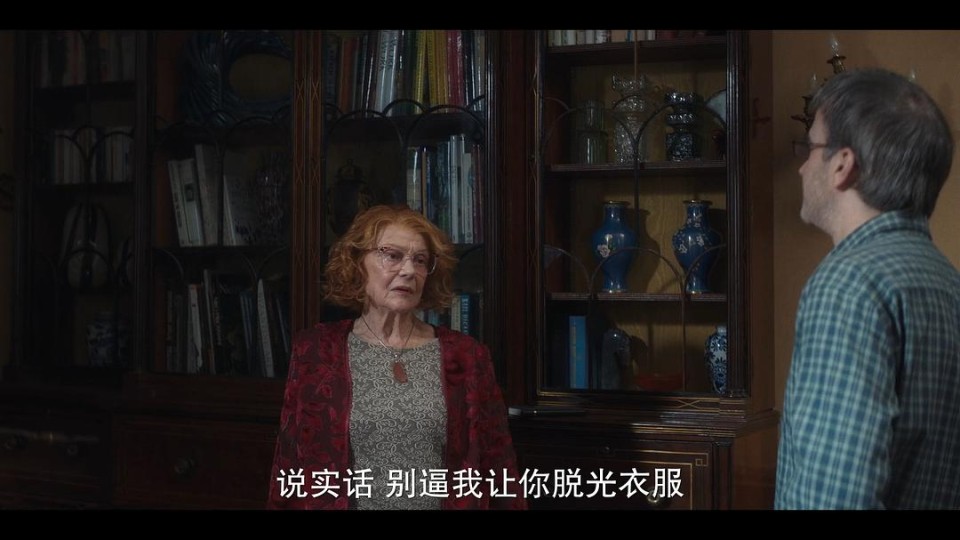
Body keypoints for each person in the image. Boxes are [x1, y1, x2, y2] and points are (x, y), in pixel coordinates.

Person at [776, 68, 960, 509]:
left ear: (843, 164)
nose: (802, 166)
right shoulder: (948, 283)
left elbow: (836, 496)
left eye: (810, 147)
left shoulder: (848, 286)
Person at [267, 204, 526, 510]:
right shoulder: (317, 351)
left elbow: (499, 467)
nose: (408, 270)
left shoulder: (467, 356)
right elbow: (289, 466)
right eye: (392, 255)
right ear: (357, 263)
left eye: (420, 260)